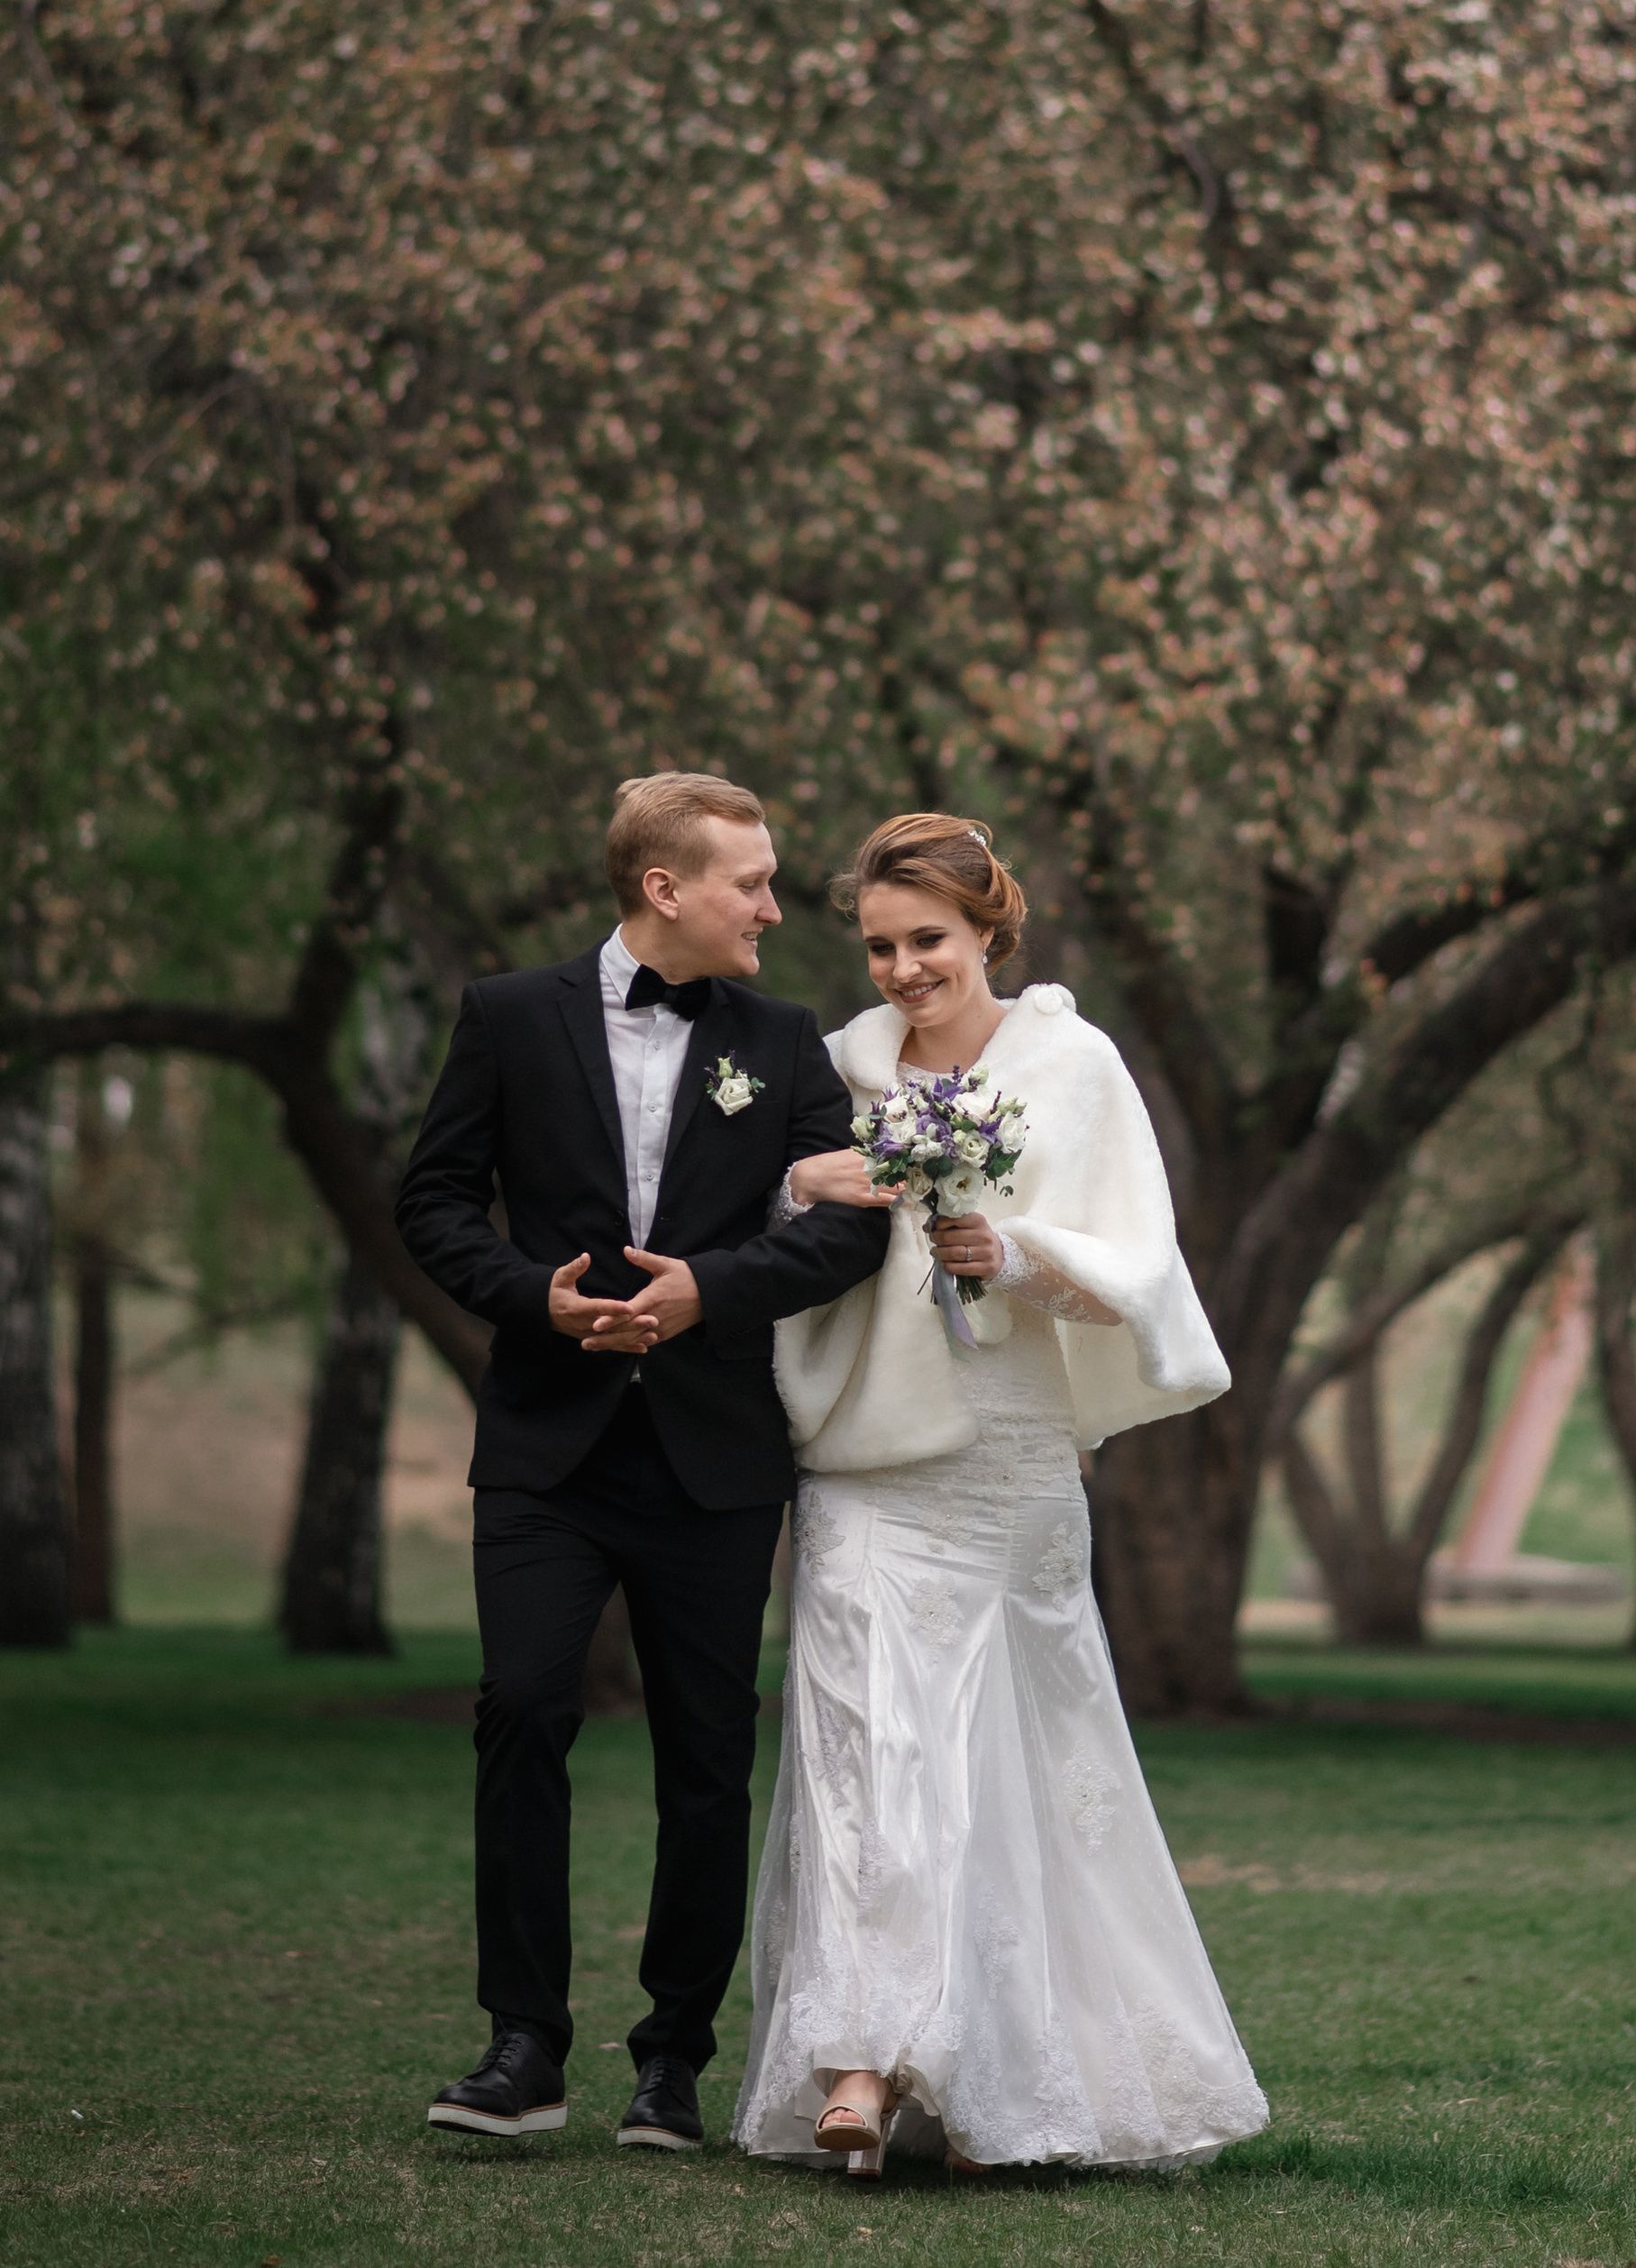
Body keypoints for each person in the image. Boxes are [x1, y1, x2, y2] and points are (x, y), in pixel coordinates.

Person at [735, 811, 1270, 2176]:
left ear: (988, 931)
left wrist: (1011, 1249)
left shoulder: (1071, 1065)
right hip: (864, 1460)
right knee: (868, 1742)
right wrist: (812, 1174)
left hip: (1009, 1457)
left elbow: (1134, 1271)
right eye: (880, 946)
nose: (906, 969)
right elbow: (759, 1205)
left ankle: (998, 2077)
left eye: (930, 940)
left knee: (1002, 1762)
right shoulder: (839, 1065)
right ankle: (857, 2059)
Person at [395, 772, 891, 2154]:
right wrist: (526, 1297)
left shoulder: (785, 1043)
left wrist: (706, 1294)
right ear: (665, 888)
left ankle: (671, 2061)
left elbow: (851, 1229)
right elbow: (430, 1199)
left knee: (705, 1760)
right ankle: (522, 2047)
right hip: (547, 1446)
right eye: (753, 882)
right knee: (524, 1711)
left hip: (714, 1454)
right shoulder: (505, 1017)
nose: (775, 909)